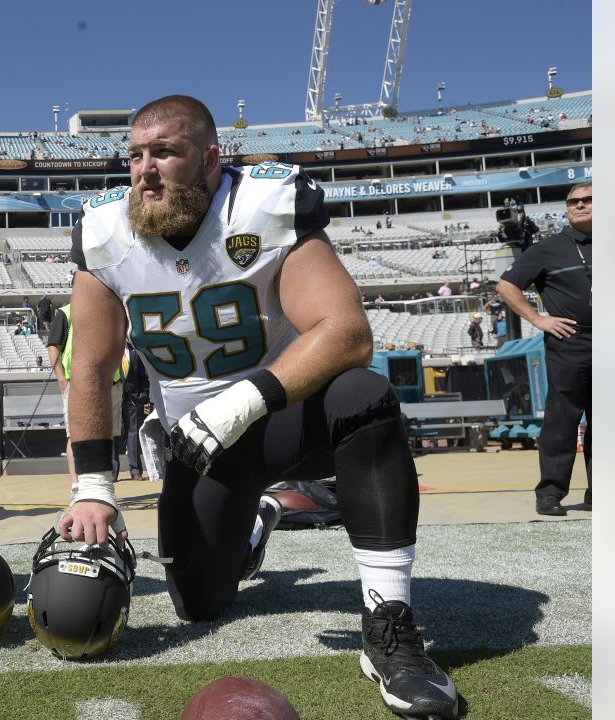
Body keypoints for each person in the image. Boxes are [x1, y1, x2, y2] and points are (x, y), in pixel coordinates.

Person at [60, 96, 457, 720]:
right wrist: (92, 486)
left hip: (282, 416)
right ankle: (254, 520)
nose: (146, 170)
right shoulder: (105, 231)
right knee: (198, 604)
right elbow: (89, 364)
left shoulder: (265, 206)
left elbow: (346, 331)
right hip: (199, 445)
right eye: (136, 155)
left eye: (165, 151)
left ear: (212, 157)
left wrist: (241, 402)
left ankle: (390, 626)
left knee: (364, 393)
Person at [496, 181, 592, 516]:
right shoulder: (549, 247)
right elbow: (506, 286)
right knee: (561, 419)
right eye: (573, 202)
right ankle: (550, 493)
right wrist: (538, 319)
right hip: (571, 341)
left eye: (588, 199)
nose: (579, 205)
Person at [46, 303, 125, 483]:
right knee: (74, 435)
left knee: (108, 436)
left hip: (111, 384)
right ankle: (77, 486)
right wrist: (62, 381)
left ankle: (103, 484)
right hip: (78, 386)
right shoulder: (66, 312)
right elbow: (53, 347)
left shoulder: (111, 310)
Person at [119, 342, 151, 482]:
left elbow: (143, 376)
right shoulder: (109, 347)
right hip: (113, 395)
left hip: (134, 399)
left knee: (133, 433)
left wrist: (144, 397)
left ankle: (135, 471)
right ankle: (113, 472)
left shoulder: (135, 350)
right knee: (113, 434)